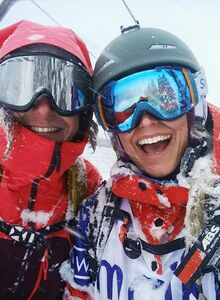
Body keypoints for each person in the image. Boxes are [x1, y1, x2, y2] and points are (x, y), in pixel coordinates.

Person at [62, 24, 220, 299]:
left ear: (193, 108)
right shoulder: (94, 217)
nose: (146, 119)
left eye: (165, 98)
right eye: (124, 107)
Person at [0, 20, 101, 299]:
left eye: (65, 91)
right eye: (20, 87)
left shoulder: (88, 188)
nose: (44, 110)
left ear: (84, 110)